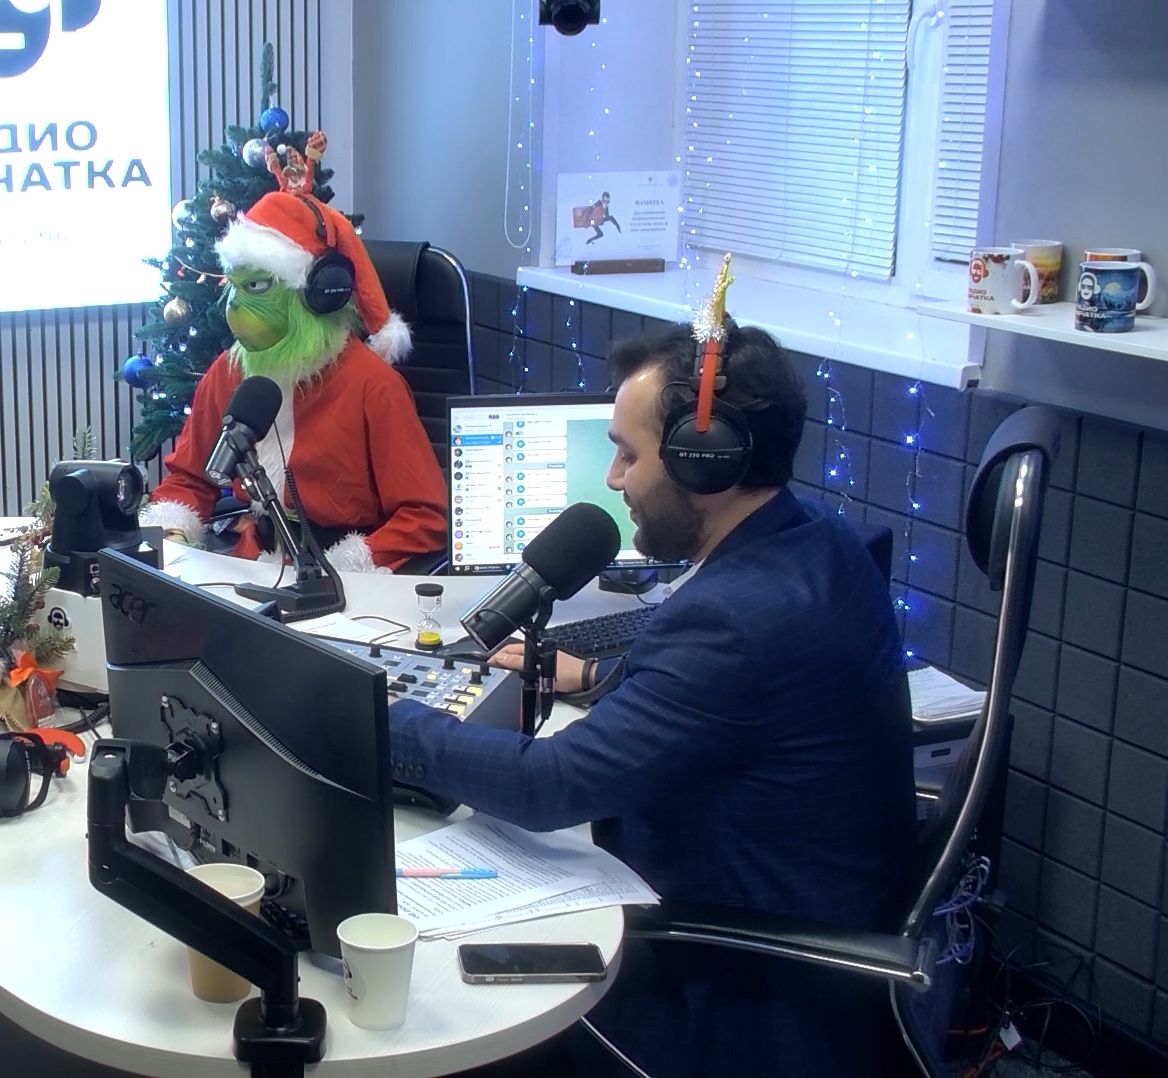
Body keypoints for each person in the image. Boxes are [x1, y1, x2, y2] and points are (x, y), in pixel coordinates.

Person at [388, 323, 915, 1077]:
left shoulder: (733, 620)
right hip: (803, 924)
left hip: (731, 993)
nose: (614, 480)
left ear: (707, 460)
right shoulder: (820, 542)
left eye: (628, 455)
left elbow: (549, 785)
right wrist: (602, 676)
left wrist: (390, 720)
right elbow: (731, 706)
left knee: (436, 1016)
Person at [141, 184, 447, 572]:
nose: (235, 306)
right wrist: (173, 532)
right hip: (251, 566)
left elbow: (425, 517)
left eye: (256, 286)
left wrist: (349, 564)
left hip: (343, 578)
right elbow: (190, 479)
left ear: (317, 293)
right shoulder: (230, 371)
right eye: (234, 285)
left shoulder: (373, 386)